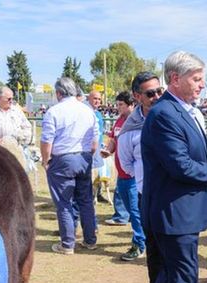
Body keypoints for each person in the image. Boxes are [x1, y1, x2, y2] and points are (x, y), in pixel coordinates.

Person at [126, 51, 207, 283]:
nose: (202, 85)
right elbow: (179, 166)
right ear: (176, 79)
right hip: (173, 214)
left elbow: (187, 159)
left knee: (171, 277)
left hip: (180, 210)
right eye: (197, 79)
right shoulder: (165, 113)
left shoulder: (182, 110)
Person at [40, 77, 98, 255]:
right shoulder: (88, 111)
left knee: (64, 202)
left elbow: (47, 140)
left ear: (58, 93)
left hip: (62, 159)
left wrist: (45, 160)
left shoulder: (54, 111)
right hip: (84, 157)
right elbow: (95, 140)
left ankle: (67, 244)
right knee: (86, 201)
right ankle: (90, 240)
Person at [118, 72, 164, 268]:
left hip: (175, 196)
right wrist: (145, 179)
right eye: (151, 93)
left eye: (160, 91)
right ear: (137, 97)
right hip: (147, 195)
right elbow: (127, 164)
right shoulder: (131, 129)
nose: (157, 97)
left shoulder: (175, 116)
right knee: (154, 252)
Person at [101, 91, 148, 261]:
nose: (118, 107)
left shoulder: (137, 121)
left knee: (135, 212)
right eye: (117, 104)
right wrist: (108, 150)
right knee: (130, 210)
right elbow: (114, 139)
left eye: (121, 104)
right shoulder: (119, 121)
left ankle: (139, 244)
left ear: (131, 104)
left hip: (133, 176)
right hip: (122, 173)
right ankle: (144, 238)